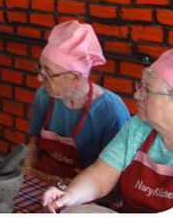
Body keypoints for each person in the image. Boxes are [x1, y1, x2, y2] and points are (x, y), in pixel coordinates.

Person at [42, 41, 173, 213]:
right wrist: (69, 195)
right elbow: (100, 176)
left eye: (148, 90)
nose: (137, 94)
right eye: (141, 86)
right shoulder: (138, 128)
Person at [24, 20, 130, 186]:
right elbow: (34, 144)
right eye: (40, 69)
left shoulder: (111, 111)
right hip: (43, 181)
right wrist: (29, 165)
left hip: (87, 194)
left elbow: (115, 179)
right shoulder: (43, 96)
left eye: (48, 74)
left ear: (75, 77)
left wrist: (72, 188)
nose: (39, 78)